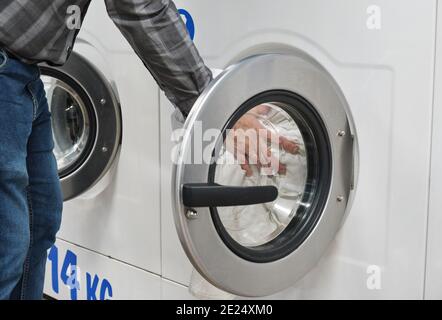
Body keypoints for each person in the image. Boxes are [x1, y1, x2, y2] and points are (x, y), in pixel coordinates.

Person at [0, 0, 297, 300]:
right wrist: (218, 111)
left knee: (38, 223)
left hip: (23, 74)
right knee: (8, 244)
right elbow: (139, 5)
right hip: (6, 72)